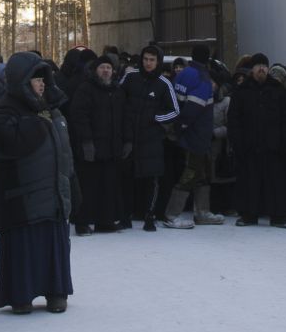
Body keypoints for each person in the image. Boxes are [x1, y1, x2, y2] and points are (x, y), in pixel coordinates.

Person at [0, 52, 74, 315]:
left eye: (43, 80)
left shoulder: (51, 110)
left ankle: (55, 292)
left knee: (52, 246)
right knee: (24, 247)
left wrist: (72, 184)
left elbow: (64, 151)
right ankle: (21, 295)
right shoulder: (4, 110)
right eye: (36, 80)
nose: (41, 85)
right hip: (21, 197)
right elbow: (10, 144)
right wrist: (39, 122)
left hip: (53, 192)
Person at [162, 45, 225, 227]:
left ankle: (202, 212)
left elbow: (177, 101)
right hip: (197, 133)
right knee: (192, 173)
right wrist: (184, 125)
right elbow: (194, 108)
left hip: (187, 132)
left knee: (201, 172)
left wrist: (179, 126)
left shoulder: (183, 74)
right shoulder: (202, 78)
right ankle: (173, 214)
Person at [229, 54, 286, 227]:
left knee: (275, 183)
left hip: (273, 146)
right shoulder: (242, 91)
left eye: (264, 66)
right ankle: (248, 215)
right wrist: (238, 143)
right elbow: (234, 119)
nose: (261, 69)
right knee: (249, 181)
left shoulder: (278, 90)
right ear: (252, 69)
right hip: (249, 145)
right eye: (258, 65)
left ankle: (279, 216)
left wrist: (285, 142)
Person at [67, 53, 129, 234]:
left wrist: (127, 141)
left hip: (112, 148)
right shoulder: (85, 89)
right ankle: (82, 222)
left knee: (109, 186)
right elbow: (79, 117)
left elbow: (125, 118)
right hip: (91, 148)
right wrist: (86, 141)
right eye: (102, 67)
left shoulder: (118, 91)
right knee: (88, 187)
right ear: (95, 70)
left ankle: (105, 220)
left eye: (109, 68)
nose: (105, 71)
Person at [120, 43, 180, 230]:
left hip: (151, 140)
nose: (148, 63)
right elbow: (117, 98)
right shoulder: (130, 78)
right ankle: (124, 215)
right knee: (126, 179)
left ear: (158, 62)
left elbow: (175, 111)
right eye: (145, 59)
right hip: (129, 138)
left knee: (151, 179)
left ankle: (149, 215)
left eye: (152, 60)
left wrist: (156, 118)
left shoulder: (164, 84)